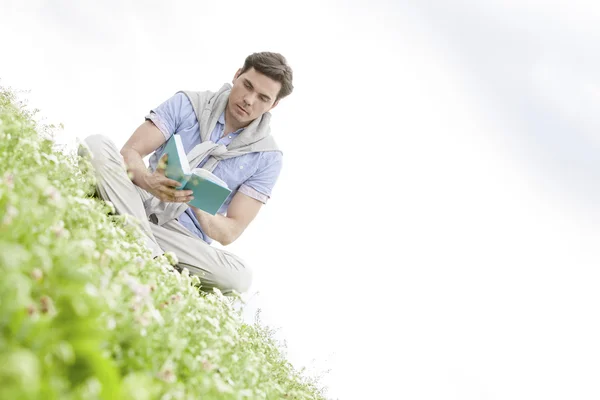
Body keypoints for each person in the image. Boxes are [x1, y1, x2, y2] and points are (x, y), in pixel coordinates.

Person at [80, 52, 293, 295]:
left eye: (263, 98)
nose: (249, 100)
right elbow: (130, 152)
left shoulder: (268, 157)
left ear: (273, 105)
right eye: (247, 85)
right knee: (96, 145)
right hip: (140, 200)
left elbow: (230, 231)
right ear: (236, 75)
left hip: (181, 238)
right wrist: (149, 182)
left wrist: (198, 204)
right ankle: (153, 258)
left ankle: (131, 233)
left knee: (240, 276)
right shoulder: (188, 103)